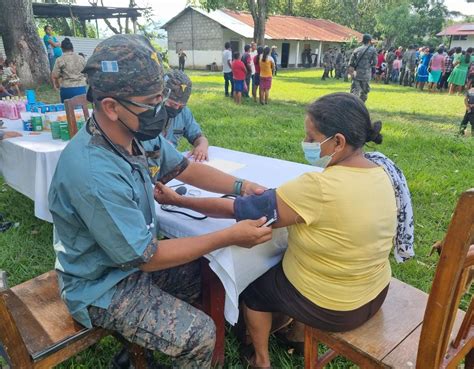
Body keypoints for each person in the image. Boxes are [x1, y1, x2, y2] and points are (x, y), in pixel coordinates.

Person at [48, 34, 271, 369]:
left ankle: (137, 350)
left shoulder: (134, 134)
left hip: (125, 265)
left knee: (206, 272)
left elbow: (185, 169)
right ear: (111, 106)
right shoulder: (93, 173)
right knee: (199, 334)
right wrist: (229, 234)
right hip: (100, 286)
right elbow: (146, 258)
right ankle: (159, 346)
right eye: (152, 101)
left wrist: (242, 186)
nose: (161, 109)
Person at [154, 92, 398, 369]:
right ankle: (292, 330)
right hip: (375, 293)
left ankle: (261, 360)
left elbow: (238, 210)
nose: (305, 144)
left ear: (338, 142)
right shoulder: (380, 171)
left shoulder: (317, 187)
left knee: (255, 291)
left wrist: (178, 200)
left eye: (311, 138)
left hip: (336, 308)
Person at [162, 70, 209, 161]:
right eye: (172, 104)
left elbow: (199, 137)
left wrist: (202, 146)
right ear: (161, 97)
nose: (176, 109)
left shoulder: (184, 113)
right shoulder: (147, 112)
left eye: (181, 106)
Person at [51, 38, 87, 103]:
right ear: (72, 48)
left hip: (67, 89)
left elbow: (55, 75)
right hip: (81, 88)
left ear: (62, 49)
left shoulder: (60, 59)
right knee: (81, 111)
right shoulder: (81, 58)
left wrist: (57, 85)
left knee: (67, 111)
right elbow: (87, 72)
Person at [348, 34, 377, 102]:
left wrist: (351, 73)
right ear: (369, 41)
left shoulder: (357, 49)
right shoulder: (373, 50)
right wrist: (369, 65)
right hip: (366, 74)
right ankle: (361, 105)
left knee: (355, 91)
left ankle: (353, 105)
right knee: (364, 92)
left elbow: (351, 63)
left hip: (356, 73)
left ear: (362, 41)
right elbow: (375, 62)